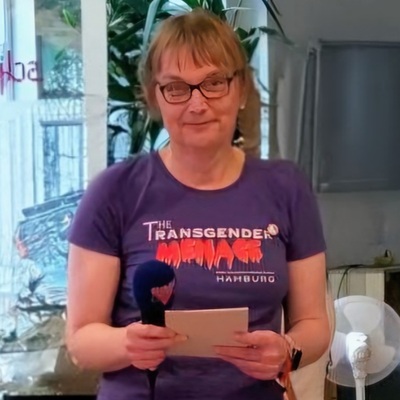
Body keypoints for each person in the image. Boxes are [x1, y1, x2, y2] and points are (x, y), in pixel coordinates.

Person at [66, 8, 330, 400]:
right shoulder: (115, 191)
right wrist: (127, 344)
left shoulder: (286, 188)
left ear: (240, 89)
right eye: (176, 87)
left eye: (214, 83)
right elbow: (81, 342)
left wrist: (287, 351)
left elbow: (314, 324)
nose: (197, 103)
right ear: (155, 96)